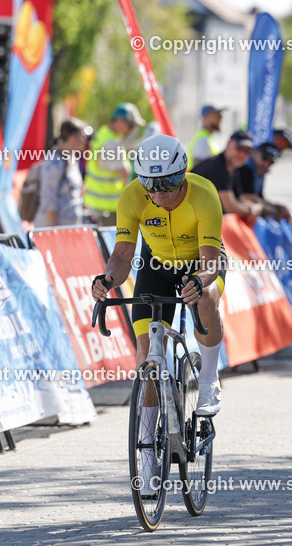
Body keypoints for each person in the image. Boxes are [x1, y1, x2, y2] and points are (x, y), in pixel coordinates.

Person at [90, 134, 226, 492]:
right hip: (156, 266)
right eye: (151, 185)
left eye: (168, 184)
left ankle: (209, 380)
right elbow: (121, 257)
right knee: (146, 354)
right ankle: (148, 453)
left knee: (206, 298)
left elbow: (211, 262)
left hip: (201, 262)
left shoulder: (205, 193)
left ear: (183, 174)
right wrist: (107, 280)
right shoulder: (132, 195)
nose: (160, 193)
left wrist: (199, 280)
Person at [84, 103, 143, 226]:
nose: (132, 129)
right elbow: (125, 173)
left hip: (98, 205)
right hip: (110, 208)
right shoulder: (111, 143)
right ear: (119, 121)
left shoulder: (103, 134)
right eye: (131, 125)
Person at [191, 131, 263, 225]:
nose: (242, 154)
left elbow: (240, 199)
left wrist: (256, 207)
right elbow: (230, 206)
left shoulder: (233, 169)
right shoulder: (217, 166)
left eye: (247, 151)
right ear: (228, 144)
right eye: (239, 148)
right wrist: (251, 211)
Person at [34, 118, 89, 227]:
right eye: (83, 136)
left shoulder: (72, 158)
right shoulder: (54, 162)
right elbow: (48, 199)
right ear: (74, 137)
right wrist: (55, 233)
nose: (85, 141)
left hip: (68, 230)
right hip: (53, 231)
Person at [236, 142, 291, 220]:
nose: (266, 164)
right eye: (264, 158)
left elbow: (259, 197)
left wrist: (275, 207)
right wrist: (273, 210)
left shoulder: (261, 172)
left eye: (271, 161)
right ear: (255, 153)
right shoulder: (245, 169)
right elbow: (246, 196)